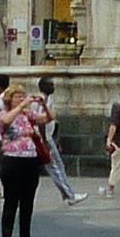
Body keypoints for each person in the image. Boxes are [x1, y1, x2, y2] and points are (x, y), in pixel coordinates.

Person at [0, 84, 48, 237]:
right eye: (18, 96)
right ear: (10, 99)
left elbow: (48, 118)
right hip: (12, 159)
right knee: (11, 201)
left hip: (30, 159)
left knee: (28, 201)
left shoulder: (28, 115)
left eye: (23, 96)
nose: (21, 98)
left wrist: (44, 104)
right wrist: (21, 106)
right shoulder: (4, 113)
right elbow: (5, 122)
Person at [35, 77, 87, 206]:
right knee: (55, 168)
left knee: (56, 166)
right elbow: (41, 122)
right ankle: (70, 195)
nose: (54, 87)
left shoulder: (44, 99)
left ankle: (66, 194)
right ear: (44, 86)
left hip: (47, 137)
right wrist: (45, 141)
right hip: (45, 138)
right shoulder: (43, 100)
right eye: (51, 84)